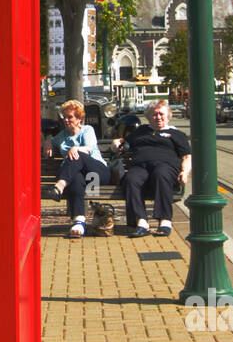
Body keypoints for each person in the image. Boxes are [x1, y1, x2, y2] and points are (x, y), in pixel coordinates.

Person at [113, 99, 191, 237]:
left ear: (168, 116)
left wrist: (184, 172)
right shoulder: (141, 131)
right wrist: (116, 142)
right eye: (154, 115)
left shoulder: (177, 134)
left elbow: (186, 157)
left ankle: (165, 220)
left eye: (161, 114)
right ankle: (141, 222)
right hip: (141, 166)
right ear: (149, 117)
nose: (158, 117)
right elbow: (123, 143)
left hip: (166, 167)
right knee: (131, 179)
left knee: (161, 174)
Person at [44, 99, 112, 238]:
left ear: (79, 118)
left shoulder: (87, 130)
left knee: (77, 155)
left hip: (96, 174)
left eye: (70, 117)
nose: (66, 120)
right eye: (65, 117)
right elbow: (51, 140)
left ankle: (59, 186)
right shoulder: (62, 136)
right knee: (75, 178)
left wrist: (76, 148)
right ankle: (79, 222)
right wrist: (48, 142)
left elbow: (88, 149)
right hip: (78, 177)